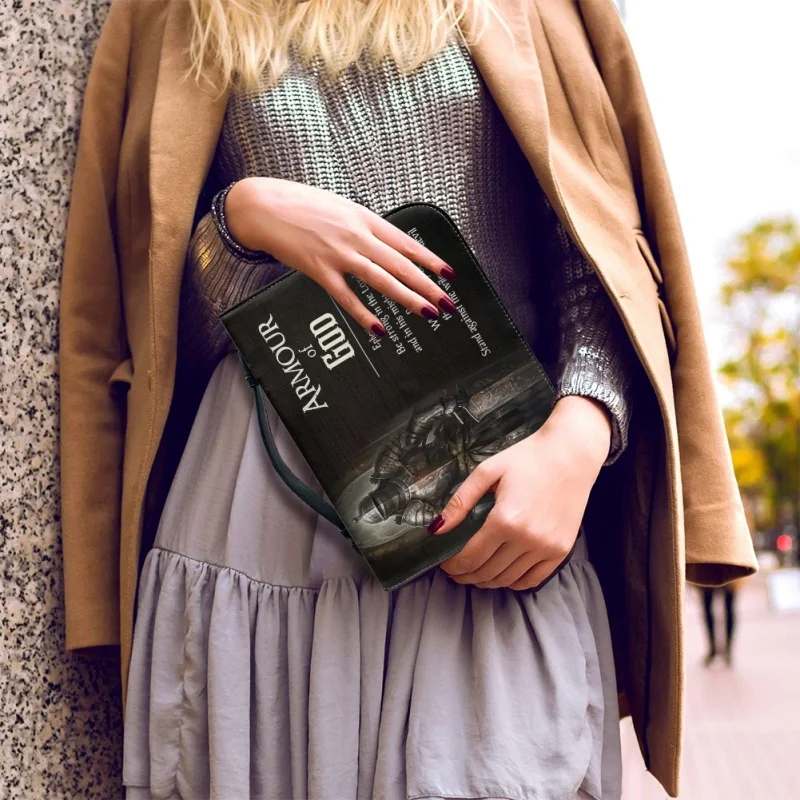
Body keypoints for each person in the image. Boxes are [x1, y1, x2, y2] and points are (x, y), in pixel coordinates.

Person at [58, 1, 759, 798]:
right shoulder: (171, 11)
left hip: (493, 505)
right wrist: (240, 221)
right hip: (255, 517)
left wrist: (582, 432)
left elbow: (595, 249)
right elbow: (140, 328)